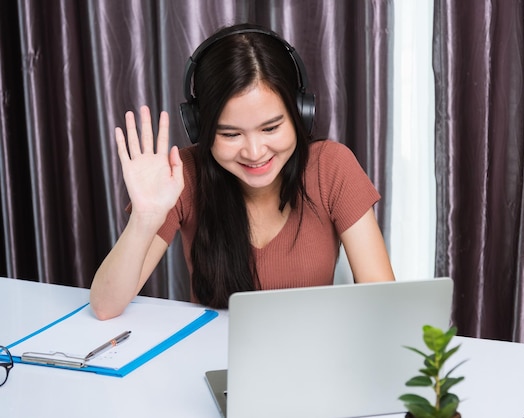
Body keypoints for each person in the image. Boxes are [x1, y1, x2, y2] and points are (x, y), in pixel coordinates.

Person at [90, 23, 395, 320]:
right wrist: (144, 220)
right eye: (230, 134)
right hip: (213, 360)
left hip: (313, 358)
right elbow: (106, 306)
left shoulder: (332, 166)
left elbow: (384, 305)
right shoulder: (182, 174)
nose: (254, 152)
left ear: (301, 114)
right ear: (202, 129)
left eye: (271, 128)